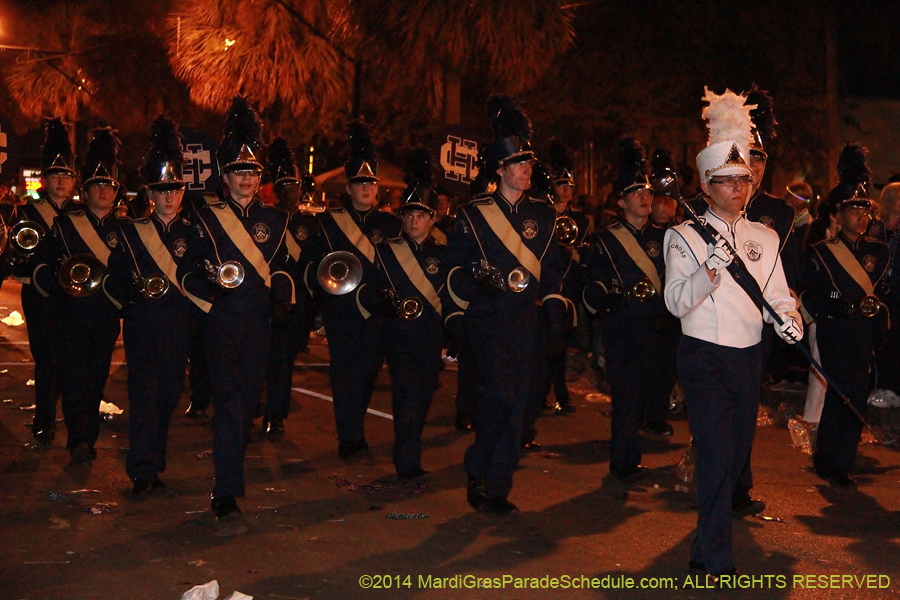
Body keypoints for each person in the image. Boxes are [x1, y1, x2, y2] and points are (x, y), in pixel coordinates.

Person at [664, 88, 800, 579]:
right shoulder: (681, 236)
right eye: (728, 182)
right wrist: (708, 272)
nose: (740, 189)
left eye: (744, 180)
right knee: (716, 456)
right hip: (703, 356)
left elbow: (778, 293)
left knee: (733, 455)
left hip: (747, 359)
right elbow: (676, 302)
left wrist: (788, 319)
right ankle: (717, 560)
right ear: (706, 184)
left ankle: (705, 547)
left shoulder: (764, 237)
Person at [442, 96, 566, 515]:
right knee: (500, 396)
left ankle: (496, 487)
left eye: (530, 163)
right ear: (500, 169)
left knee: (522, 405)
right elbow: (451, 269)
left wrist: (553, 317)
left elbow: (551, 271)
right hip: (487, 319)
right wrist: (467, 296)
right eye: (519, 164)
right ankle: (478, 466)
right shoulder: (474, 215)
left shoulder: (544, 216)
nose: (527, 170)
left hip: (525, 322)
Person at [177, 97, 293, 520]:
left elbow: (281, 268)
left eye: (252, 172)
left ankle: (230, 477)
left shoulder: (275, 220)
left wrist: (282, 298)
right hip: (221, 322)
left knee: (245, 405)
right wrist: (209, 292)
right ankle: (226, 489)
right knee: (228, 402)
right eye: (238, 172)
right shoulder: (204, 217)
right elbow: (186, 272)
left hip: (258, 325)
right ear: (225, 176)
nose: (246, 178)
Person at [104, 115, 201, 494]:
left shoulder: (194, 234)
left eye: (175, 189)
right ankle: (142, 469)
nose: (169, 196)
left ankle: (153, 463)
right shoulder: (130, 232)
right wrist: (130, 287)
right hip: (144, 325)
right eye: (162, 190)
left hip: (178, 327)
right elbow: (114, 275)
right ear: (150, 193)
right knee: (143, 396)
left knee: (169, 396)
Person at [300, 121, 402, 458]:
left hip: (376, 311)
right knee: (343, 373)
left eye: (371, 183)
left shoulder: (390, 224)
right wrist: (322, 282)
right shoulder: (328, 222)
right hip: (341, 310)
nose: (367, 188)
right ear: (349, 186)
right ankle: (350, 437)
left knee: (368, 371)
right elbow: (310, 265)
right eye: (360, 183)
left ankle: (354, 427)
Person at [582, 137, 680, 481]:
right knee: (626, 397)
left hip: (661, 327)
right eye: (636, 193)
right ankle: (623, 461)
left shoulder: (669, 236)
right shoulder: (605, 240)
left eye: (647, 192)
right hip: (623, 328)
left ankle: (637, 446)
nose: (645, 198)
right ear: (621, 200)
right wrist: (608, 298)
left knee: (653, 392)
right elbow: (591, 286)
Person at [32, 127, 128, 463]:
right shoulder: (65, 225)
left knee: (96, 377)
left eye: (109, 185)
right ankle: (79, 438)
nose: (103, 190)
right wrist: (56, 281)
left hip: (105, 315)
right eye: (96, 185)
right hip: (70, 314)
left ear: (116, 192)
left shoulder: (127, 232)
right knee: (73, 376)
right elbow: (42, 265)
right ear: (84, 192)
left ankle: (87, 434)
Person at [800, 144, 889, 487]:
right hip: (834, 329)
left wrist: (881, 322)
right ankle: (828, 457)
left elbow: (882, 294)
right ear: (837, 214)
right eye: (853, 210)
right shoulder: (821, 253)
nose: (861, 216)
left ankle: (844, 460)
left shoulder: (878, 252)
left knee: (857, 392)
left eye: (864, 210)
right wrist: (832, 309)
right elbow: (808, 295)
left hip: (862, 330)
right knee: (839, 393)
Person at [355, 148, 445, 479]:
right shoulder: (386, 252)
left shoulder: (443, 255)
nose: (412, 221)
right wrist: (379, 303)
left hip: (430, 336)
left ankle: (409, 447)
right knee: (406, 395)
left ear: (432, 219)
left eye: (420, 216)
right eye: (408, 215)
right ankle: (407, 460)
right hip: (397, 335)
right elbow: (364, 287)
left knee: (422, 397)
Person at [10, 118, 77, 444]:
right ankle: (44, 419)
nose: (61, 182)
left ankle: (67, 414)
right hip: (40, 295)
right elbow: (16, 255)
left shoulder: (82, 213)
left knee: (70, 357)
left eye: (66, 176)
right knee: (46, 358)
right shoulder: (27, 211)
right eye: (55, 175)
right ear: (44, 179)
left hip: (75, 296)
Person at [262, 137, 321, 436]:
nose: (288, 191)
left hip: (299, 303)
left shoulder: (311, 224)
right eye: (282, 185)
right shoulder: (264, 220)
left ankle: (276, 412)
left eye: (292, 185)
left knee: (283, 359)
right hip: (267, 298)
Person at [545, 139, 592, 415]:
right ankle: (542, 393)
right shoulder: (542, 215)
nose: (566, 190)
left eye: (569, 186)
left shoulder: (582, 220)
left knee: (560, 345)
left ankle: (561, 394)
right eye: (561, 185)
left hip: (568, 288)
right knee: (545, 343)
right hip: (545, 286)